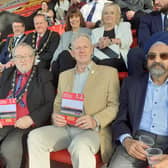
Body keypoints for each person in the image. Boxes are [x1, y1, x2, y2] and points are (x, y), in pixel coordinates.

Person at [28, 33, 120, 168]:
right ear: (72, 52)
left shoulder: (109, 72)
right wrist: (55, 116)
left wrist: (95, 120)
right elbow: (58, 103)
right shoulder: (64, 76)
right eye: (77, 48)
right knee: (35, 137)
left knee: (80, 145)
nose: (81, 51)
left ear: (92, 50)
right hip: (66, 128)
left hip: (93, 131)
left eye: (85, 47)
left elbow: (114, 105)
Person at [108, 32, 168, 168]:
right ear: (146, 61)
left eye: (164, 56)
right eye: (152, 56)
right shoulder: (131, 83)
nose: (157, 60)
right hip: (136, 141)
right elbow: (120, 120)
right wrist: (127, 140)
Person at [0, 43, 55, 168]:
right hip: (5, 121)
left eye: (27, 56)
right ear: (14, 59)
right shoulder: (7, 73)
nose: (23, 60)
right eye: (19, 56)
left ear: (33, 57)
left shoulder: (43, 75)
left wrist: (31, 118)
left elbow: (50, 103)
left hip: (27, 123)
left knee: (9, 148)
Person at [51, 8, 91, 87]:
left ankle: (65, 86)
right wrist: (52, 62)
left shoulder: (88, 32)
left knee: (65, 54)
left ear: (80, 18)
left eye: (76, 17)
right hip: (64, 59)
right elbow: (59, 49)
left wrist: (73, 53)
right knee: (55, 64)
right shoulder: (65, 35)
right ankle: (60, 89)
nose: (74, 19)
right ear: (69, 20)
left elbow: (89, 48)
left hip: (79, 58)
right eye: (71, 17)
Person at [91, 3, 132, 72]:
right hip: (98, 59)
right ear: (102, 16)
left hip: (118, 59)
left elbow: (127, 42)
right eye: (106, 13)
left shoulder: (124, 26)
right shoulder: (95, 31)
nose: (108, 15)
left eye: (112, 13)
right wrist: (98, 44)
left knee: (102, 64)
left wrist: (110, 41)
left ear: (117, 15)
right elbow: (90, 48)